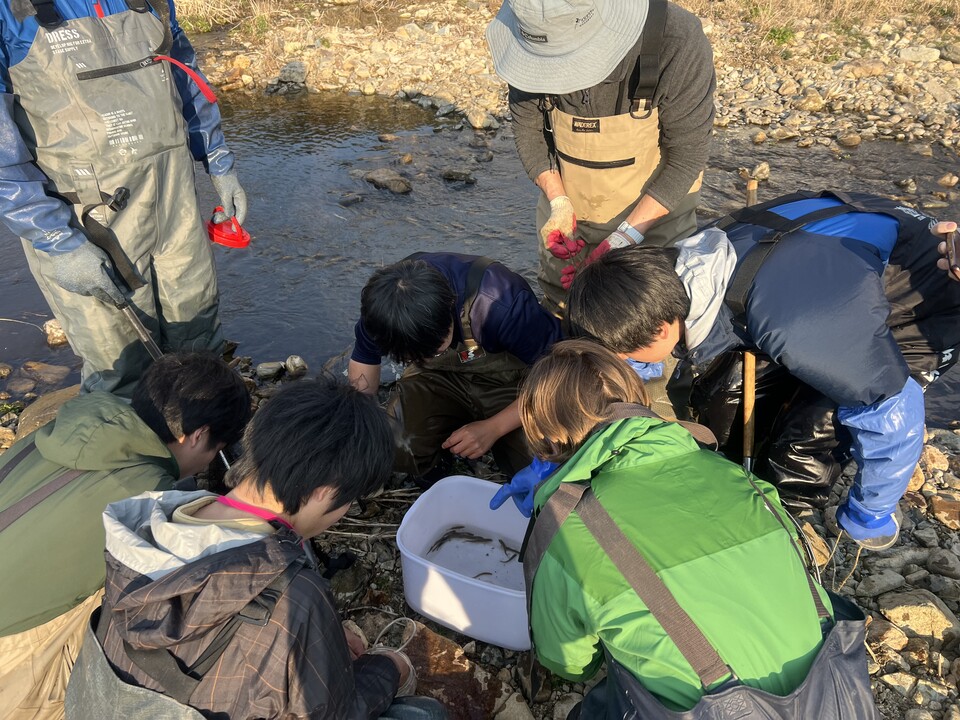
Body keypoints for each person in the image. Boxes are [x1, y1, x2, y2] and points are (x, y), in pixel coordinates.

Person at [566, 190, 960, 550]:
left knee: (808, 440)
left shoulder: (797, 325)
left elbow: (893, 412)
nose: (623, 361)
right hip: (819, 276)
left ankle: (784, 531)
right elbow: (647, 363)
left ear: (662, 327)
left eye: (625, 351)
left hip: (919, 305)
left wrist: (869, 514)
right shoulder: (682, 267)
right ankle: (737, 485)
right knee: (722, 395)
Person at [517, 340, 877, 718]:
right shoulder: (738, 476)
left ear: (548, 439)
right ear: (636, 400)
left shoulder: (571, 528)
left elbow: (569, 663)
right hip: (838, 698)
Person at [66, 378, 448, 720]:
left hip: (106, 703)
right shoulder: (294, 597)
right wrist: (388, 668)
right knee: (425, 713)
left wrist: (316, 642)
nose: (344, 512)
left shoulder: (149, 528)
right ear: (324, 492)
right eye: (349, 500)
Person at [0, 0, 248, 397]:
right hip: (88, 222)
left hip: (176, 201)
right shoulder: (10, 11)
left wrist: (218, 159)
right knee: (121, 363)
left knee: (199, 338)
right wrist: (56, 241)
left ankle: (203, 443)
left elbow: (184, 73)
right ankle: (131, 455)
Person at [0, 352, 251, 720]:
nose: (211, 459)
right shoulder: (144, 499)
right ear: (197, 436)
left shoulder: (65, 427)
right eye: (216, 449)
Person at [485, 0, 715, 316]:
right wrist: (558, 203)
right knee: (563, 311)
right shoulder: (527, 40)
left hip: (657, 214)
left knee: (642, 319)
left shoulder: (674, 38)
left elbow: (687, 157)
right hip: (571, 214)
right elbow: (529, 131)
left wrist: (624, 239)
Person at [348, 253, 562, 484]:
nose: (428, 355)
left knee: (542, 460)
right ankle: (436, 466)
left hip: (516, 384)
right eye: (415, 355)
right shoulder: (383, 311)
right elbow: (364, 363)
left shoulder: (500, 303)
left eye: (434, 349)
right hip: (438, 378)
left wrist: (494, 428)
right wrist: (360, 428)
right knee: (396, 442)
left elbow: (559, 373)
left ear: (450, 305)